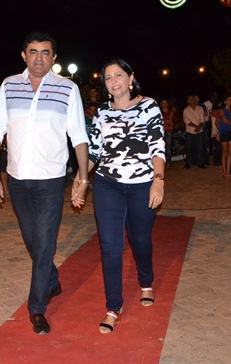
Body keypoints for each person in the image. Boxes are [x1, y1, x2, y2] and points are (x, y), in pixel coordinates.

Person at [0, 31, 89, 335]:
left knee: (44, 244)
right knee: (34, 241)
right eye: (33, 51)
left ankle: (37, 307)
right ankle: (52, 281)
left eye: (45, 52)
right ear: (24, 55)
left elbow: (79, 136)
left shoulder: (67, 89)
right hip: (17, 179)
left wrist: (83, 178)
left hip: (50, 180)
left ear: (54, 58)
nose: (39, 58)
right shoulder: (8, 85)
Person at [72, 59, 165, 334]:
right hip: (107, 184)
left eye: (119, 75)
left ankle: (146, 281)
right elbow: (95, 151)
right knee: (110, 246)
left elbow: (157, 146)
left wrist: (158, 181)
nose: (114, 81)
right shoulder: (101, 111)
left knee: (140, 239)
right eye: (108, 77)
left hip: (142, 183)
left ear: (130, 78)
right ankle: (114, 306)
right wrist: (81, 180)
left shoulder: (149, 106)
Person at [182, 95, 206, 169]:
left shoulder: (200, 108)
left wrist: (198, 127)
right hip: (190, 131)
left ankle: (200, 163)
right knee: (189, 148)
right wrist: (196, 127)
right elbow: (186, 121)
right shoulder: (186, 110)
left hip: (199, 131)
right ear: (187, 101)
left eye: (192, 99)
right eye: (189, 99)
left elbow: (202, 119)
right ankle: (188, 163)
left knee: (199, 147)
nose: (191, 100)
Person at [219, 95, 231, 178]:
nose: (230, 101)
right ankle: (224, 172)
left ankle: (228, 171)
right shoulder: (221, 110)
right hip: (224, 132)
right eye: (228, 99)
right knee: (225, 152)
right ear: (225, 101)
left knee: (230, 153)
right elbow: (225, 120)